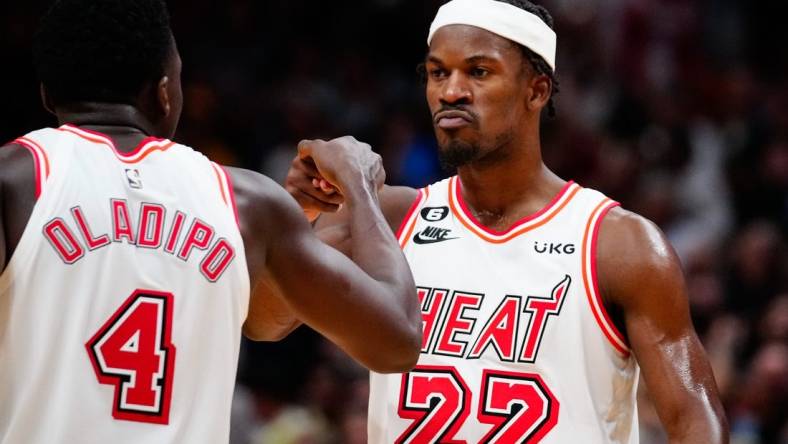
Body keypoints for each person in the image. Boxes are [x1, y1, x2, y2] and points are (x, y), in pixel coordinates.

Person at [285, 0, 728, 442]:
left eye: (478, 72)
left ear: (536, 91)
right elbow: (267, 322)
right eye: (438, 73)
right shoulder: (388, 217)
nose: (450, 91)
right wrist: (294, 216)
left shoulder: (618, 244)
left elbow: (695, 422)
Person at [0, 0, 421, 443]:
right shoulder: (247, 202)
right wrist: (358, 185)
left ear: (48, 95)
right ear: (163, 92)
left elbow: (262, 319)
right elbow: (396, 338)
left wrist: (292, 218)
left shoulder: (13, 179)